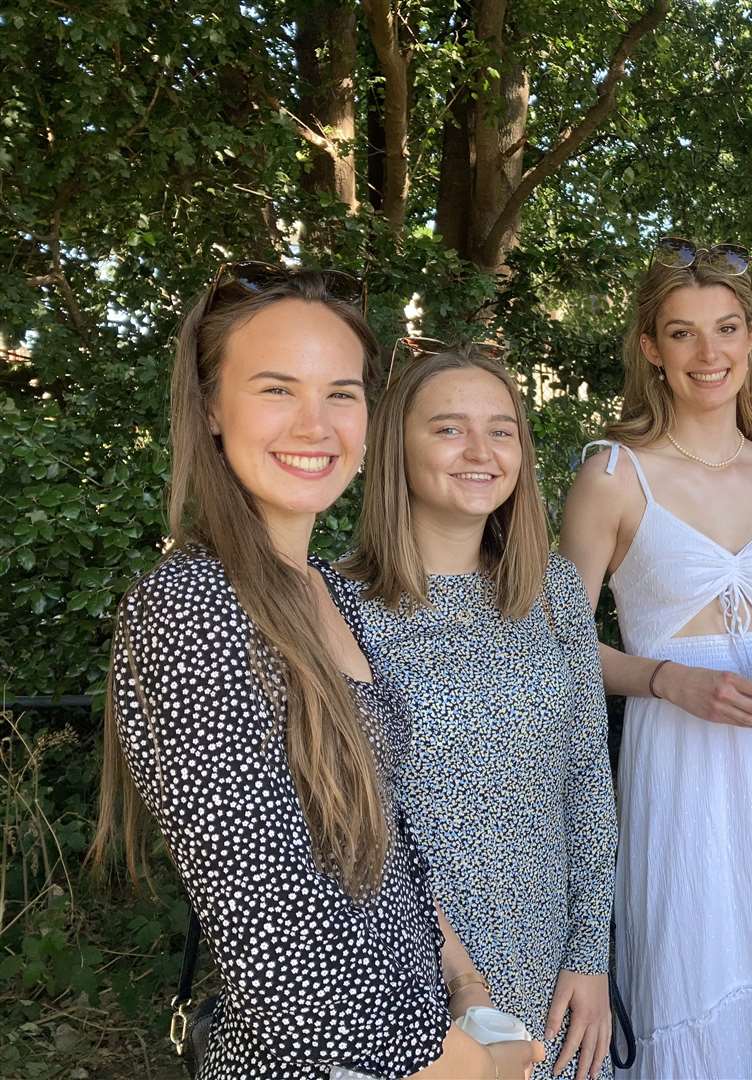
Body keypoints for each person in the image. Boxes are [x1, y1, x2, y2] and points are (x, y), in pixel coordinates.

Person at [89, 266, 541, 1080]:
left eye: (340, 393)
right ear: (211, 411)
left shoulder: (319, 586)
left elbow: (383, 835)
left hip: (417, 1032)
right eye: (275, 388)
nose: (315, 424)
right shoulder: (192, 605)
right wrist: (466, 1068)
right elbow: (275, 939)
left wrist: (463, 979)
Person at [558, 239, 752, 1079]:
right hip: (680, 765)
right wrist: (666, 679)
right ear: (651, 350)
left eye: (727, 329)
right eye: (684, 333)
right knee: (691, 965)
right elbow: (550, 648)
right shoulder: (613, 476)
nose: (710, 354)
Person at [341, 343, 617, 1080]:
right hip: (410, 965)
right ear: (394, 443)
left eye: (501, 430)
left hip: (550, 962)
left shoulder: (554, 591)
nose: (481, 451)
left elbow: (586, 779)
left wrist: (592, 955)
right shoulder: (339, 607)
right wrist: (455, 977)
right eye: (448, 428)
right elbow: (347, 826)